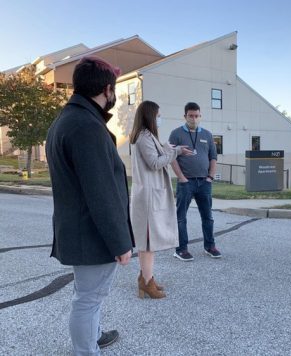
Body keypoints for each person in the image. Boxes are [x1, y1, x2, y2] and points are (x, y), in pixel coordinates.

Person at [46, 56, 135, 355]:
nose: (114, 96)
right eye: (114, 90)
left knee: (86, 294)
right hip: (92, 234)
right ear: (107, 90)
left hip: (80, 230)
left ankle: (93, 335)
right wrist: (120, 242)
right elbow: (101, 192)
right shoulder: (86, 126)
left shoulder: (68, 119)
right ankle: (86, 350)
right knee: (88, 299)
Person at [129, 100, 192, 298]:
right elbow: (155, 163)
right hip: (148, 197)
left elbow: (157, 156)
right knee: (148, 243)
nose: (160, 118)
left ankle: (145, 278)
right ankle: (147, 283)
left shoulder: (146, 136)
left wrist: (170, 149)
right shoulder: (143, 137)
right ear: (150, 115)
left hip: (150, 194)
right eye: (158, 114)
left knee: (148, 242)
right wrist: (175, 152)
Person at [169, 102, 221, 261]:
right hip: (186, 183)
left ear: (200, 116)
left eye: (196, 115)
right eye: (191, 116)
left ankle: (210, 246)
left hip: (204, 183)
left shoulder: (207, 134)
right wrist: (182, 178)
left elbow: (213, 157)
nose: (194, 118)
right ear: (185, 116)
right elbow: (172, 158)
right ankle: (181, 249)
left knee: (207, 216)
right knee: (181, 217)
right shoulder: (176, 134)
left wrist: (210, 177)